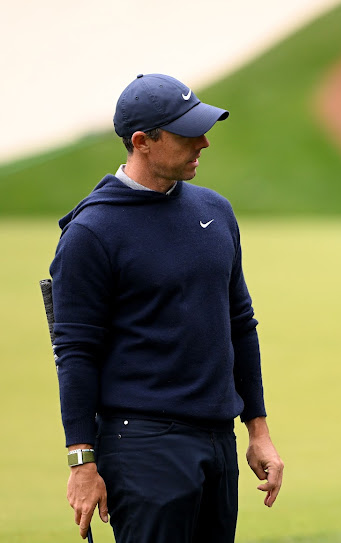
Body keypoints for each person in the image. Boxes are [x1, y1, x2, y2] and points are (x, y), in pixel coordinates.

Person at [50, 73, 284, 542]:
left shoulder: (216, 212)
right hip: (142, 447)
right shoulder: (91, 233)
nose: (204, 142)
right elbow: (76, 352)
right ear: (142, 142)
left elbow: (240, 324)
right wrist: (82, 461)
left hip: (218, 440)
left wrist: (257, 428)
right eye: (187, 133)